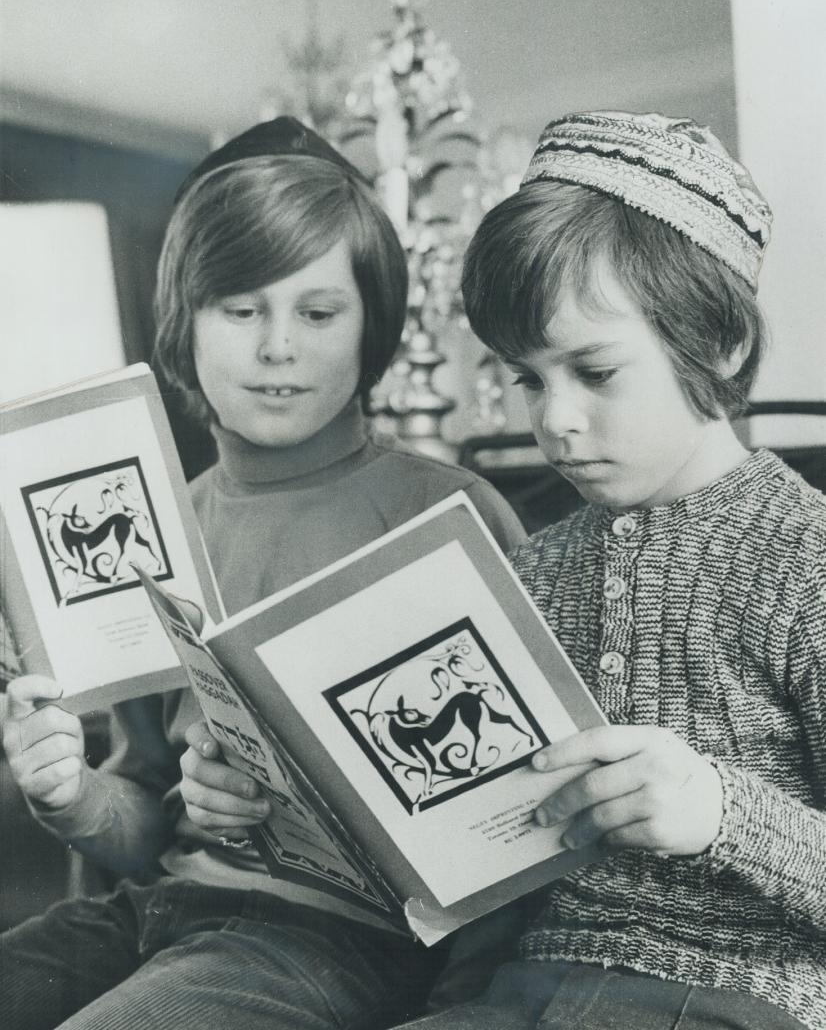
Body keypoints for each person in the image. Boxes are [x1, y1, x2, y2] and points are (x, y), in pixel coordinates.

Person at [0, 117, 525, 1030]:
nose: (278, 346)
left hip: (335, 941)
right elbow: (148, 828)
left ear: (373, 327)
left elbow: (510, 828)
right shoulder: (160, 520)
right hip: (152, 913)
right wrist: (71, 795)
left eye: (318, 313)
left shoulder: (446, 514)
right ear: (186, 323)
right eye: (241, 309)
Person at [392, 111, 825, 1030]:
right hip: (523, 992)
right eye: (529, 379)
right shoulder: (532, 567)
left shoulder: (806, 558)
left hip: (741, 1000)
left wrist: (722, 812)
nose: (556, 420)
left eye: (594, 371)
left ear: (720, 343)